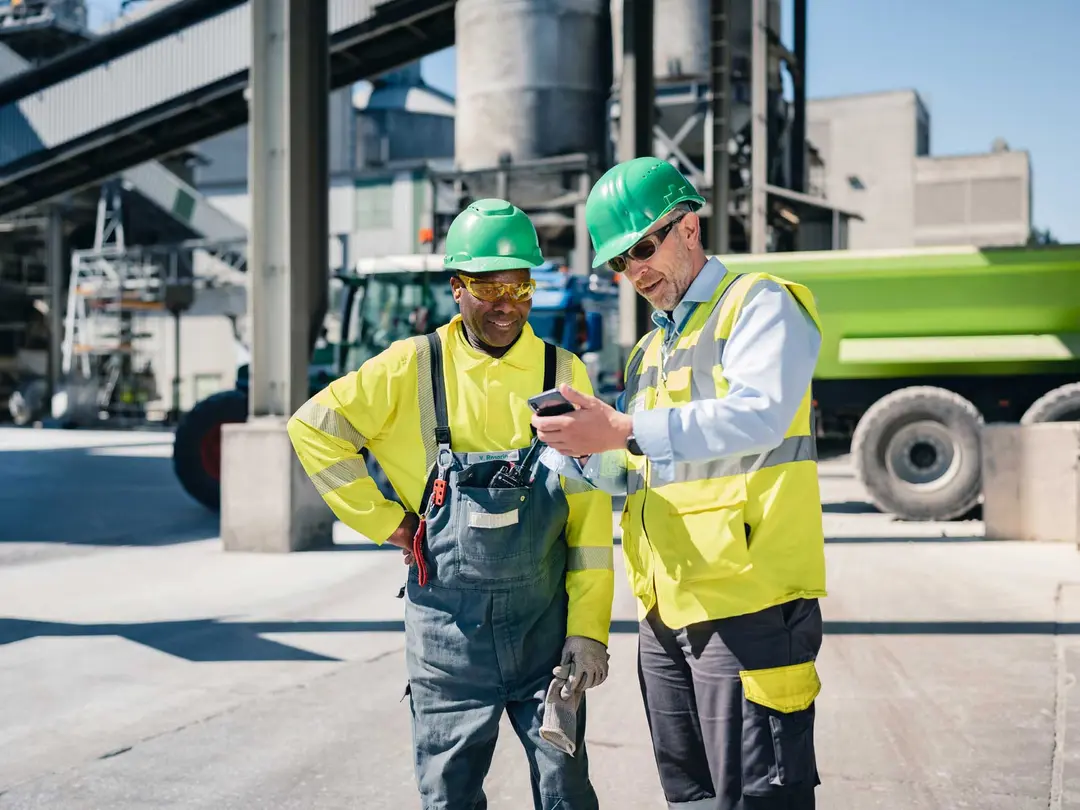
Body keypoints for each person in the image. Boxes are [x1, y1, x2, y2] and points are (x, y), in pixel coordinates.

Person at [287, 198, 615, 810]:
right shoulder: (411, 366)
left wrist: (589, 630)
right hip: (447, 638)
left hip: (545, 628)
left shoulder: (561, 370)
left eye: (520, 286)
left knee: (566, 792)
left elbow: (589, 514)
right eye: (488, 286)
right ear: (456, 287)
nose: (505, 304)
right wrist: (389, 524)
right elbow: (313, 428)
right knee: (450, 796)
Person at [532, 157, 827, 810]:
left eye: (641, 248)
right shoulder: (649, 351)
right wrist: (579, 454)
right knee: (689, 797)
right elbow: (642, 463)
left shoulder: (758, 306)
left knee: (756, 798)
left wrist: (621, 428)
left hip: (748, 603)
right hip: (666, 611)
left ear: (688, 228)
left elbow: (761, 414)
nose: (634, 271)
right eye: (619, 262)